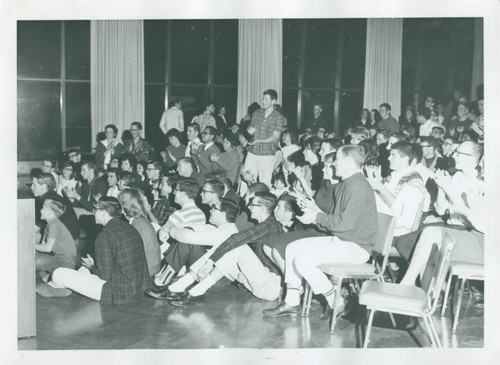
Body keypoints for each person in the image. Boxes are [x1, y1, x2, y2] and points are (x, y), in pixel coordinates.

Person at [263, 145, 377, 319]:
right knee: (292, 248)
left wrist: (316, 217)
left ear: (347, 161)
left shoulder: (358, 187)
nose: (333, 165)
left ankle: (337, 302)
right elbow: (334, 221)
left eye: (337, 160)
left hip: (357, 247)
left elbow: (344, 223)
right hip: (341, 240)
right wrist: (312, 215)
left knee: (302, 261)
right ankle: (292, 302)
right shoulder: (345, 184)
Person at [167, 192, 284, 306]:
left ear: (262, 209)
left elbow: (236, 239)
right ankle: (179, 287)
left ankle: (193, 291)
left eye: (252, 204)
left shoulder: (270, 225)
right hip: (257, 283)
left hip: (271, 285)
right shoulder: (265, 226)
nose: (248, 207)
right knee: (229, 244)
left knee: (236, 246)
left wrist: (211, 261)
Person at [398, 141, 484, 285]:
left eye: (459, 153)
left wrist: (448, 187)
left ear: (472, 158)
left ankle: (428, 285)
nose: (454, 156)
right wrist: (441, 189)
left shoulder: (481, 183)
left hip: (466, 229)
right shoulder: (456, 176)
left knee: (424, 241)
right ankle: (429, 285)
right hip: (451, 224)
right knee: (404, 242)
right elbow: (441, 209)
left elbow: (471, 216)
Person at [43, 197, 150, 303]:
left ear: (104, 212)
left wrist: (91, 266)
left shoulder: (104, 235)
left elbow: (105, 276)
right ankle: (56, 286)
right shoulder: (129, 227)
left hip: (117, 292)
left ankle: (52, 286)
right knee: (82, 270)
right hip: (139, 287)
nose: (93, 212)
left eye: (96, 210)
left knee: (59, 273)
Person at [145, 198, 239, 300]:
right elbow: (200, 227)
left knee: (188, 242)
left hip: (216, 281)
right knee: (187, 236)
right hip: (210, 272)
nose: (210, 210)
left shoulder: (224, 232)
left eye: (214, 208)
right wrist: (176, 226)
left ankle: (162, 281)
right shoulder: (224, 228)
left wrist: (171, 230)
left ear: (222, 213)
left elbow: (187, 237)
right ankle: (163, 279)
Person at [366, 141, 428, 237]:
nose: (388, 158)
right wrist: (376, 182)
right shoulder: (396, 175)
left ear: (405, 159)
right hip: (382, 224)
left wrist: (379, 187)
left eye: (393, 155)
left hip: (396, 233)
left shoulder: (413, 181)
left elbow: (399, 208)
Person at [152, 178, 206, 287]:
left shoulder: (178, 215)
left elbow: (162, 238)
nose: (173, 192)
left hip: (177, 254)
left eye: (176, 190)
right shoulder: (201, 214)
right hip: (194, 258)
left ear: (184, 193)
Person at [245, 89, 286, 187]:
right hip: (252, 151)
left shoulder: (279, 117)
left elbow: (275, 137)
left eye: (266, 99)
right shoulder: (256, 113)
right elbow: (251, 129)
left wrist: (259, 141)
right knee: (246, 177)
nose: (263, 101)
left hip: (267, 153)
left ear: (273, 101)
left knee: (265, 182)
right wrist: (246, 133)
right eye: (263, 99)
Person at [118, 189, 162, 277]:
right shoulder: (140, 220)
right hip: (150, 268)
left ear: (124, 206)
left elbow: (136, 256)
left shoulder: (138, 225)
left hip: (147, 271)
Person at [35, 199, 76, 276]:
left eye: (42, 208)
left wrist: (30, 246)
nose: (40, 210)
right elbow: (43, 246)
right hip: (58, 257)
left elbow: (48, 248)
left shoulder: (54, 225)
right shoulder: (49, 225)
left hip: (66, 261)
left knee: (37, 262)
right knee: (32, 257)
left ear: (49, 212)